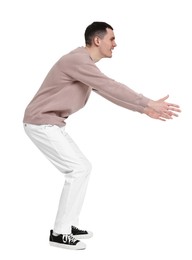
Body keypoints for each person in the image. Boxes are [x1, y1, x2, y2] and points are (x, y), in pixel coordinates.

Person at [23, 21, 181, 250]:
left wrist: (143, 110)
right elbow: (110, 86)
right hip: (40, 122)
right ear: (98, 40)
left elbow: (106, 92)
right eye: (112, 39)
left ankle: (68, 225)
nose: (115, 44)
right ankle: (60, 233)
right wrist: (147, 101)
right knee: (78, 169)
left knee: (82, 168)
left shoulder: (84, 65)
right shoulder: (77, 60)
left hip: (51, 123)